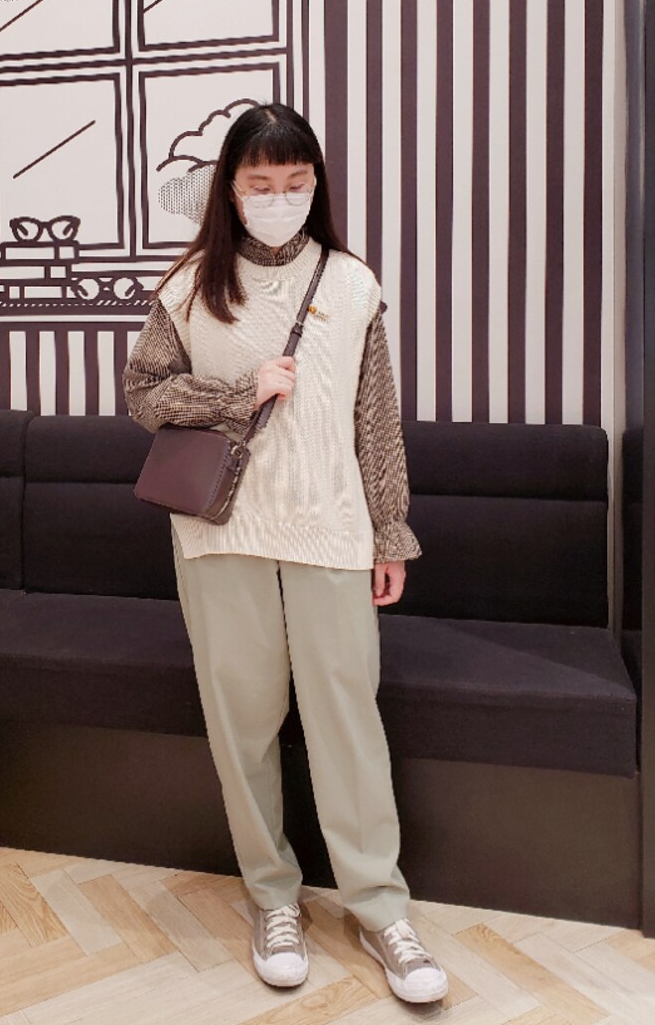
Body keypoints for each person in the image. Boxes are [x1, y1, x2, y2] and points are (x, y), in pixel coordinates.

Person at [122, 102, 449, 1004]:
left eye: (294, 183)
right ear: (230, 189)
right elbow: (144, 395)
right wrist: (239, 391)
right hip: (220, 533)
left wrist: (389, 532)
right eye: (259, 183)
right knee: (244, 722)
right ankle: (273, 897)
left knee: (348, 720)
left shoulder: (351, 283)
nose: (278, 198)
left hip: (331, 527)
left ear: (316, 186)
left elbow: (376, 423)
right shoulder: (189, 286)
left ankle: (380, 908)